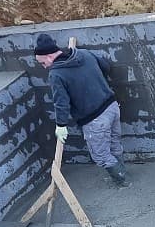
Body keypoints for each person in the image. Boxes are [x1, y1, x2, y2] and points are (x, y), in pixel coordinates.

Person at [34, 33, 128, 186]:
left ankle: (122, 181)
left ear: (49, 56)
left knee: (101, 156)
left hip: (95, 118)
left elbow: (61, 103)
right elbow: (106, 66)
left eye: (42, 63)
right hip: (112, 106)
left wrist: (61, 125)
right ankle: (122, 172)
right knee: (114, 144)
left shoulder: (56, 74)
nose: (44, 67)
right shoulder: (83, 53)